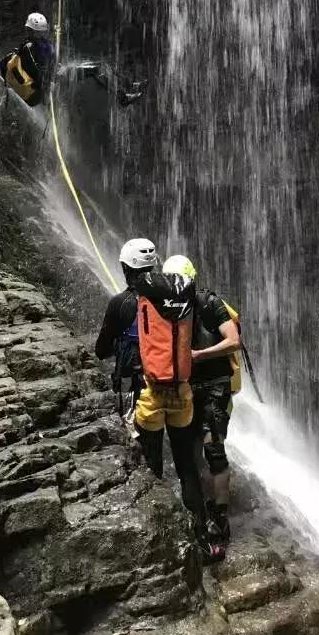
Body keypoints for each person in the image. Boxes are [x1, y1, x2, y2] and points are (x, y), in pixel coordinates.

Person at [95, 238, 223, 561]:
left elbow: (101, 349)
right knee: (186, 466)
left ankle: (161, 541)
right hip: (182, 389)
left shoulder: (123, 304)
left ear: (126, 269)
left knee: (149, 461)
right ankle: (203, 537)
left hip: (148, 390)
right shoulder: (181, 293)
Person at [162, 254, 241, 545]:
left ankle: (220, 515)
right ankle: (198, 509)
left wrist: (198, 355)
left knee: (214, 448)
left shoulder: (209, 304)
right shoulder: (169, 308)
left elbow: (233, 341)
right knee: (190, 447)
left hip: (214, 386)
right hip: (186, 386)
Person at [0, 12, 55, 108]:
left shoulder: (28, 47)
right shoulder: (50, 46)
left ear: (29, 30)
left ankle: (7, 86)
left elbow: (33, 67)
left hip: (31, 93)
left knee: (6, 61)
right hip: (43, 92)